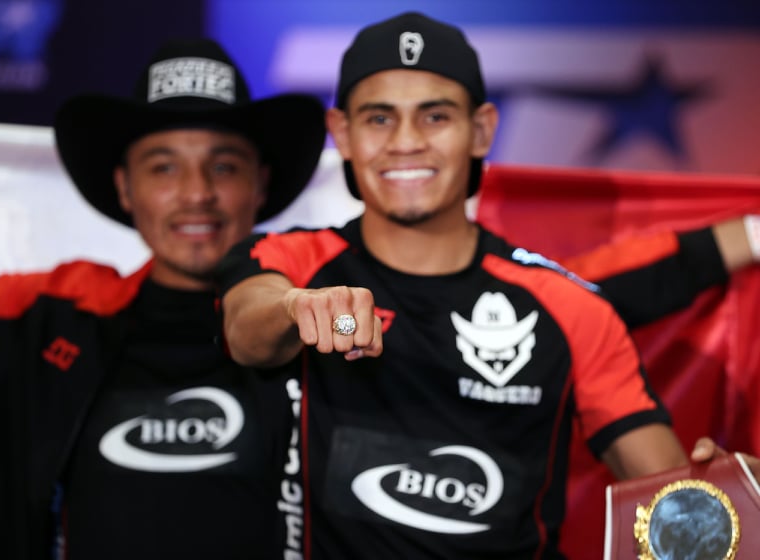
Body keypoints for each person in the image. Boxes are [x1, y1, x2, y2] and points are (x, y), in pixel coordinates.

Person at [217, 12, 760, 559]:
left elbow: (673, 503)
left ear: (481, 130)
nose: (406, 142)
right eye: (379, 118)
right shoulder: (291, 260)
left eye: (435, 116)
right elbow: (246, 331)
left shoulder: (569, 306)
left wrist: (732, 500)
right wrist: (298, 310)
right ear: (342, 134)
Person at [0, 38, 325, 559]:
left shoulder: (313, 318)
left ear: (260, 184)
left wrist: (335, 324)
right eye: (163, 167)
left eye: (224, 166)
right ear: (125, 187)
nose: (196, 193)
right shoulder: (42, 314)